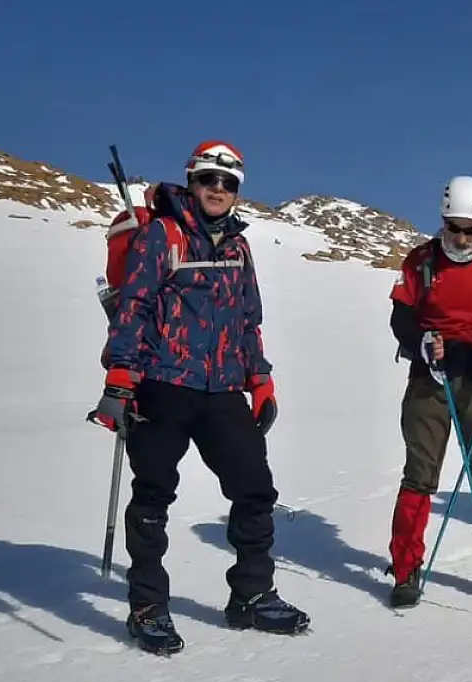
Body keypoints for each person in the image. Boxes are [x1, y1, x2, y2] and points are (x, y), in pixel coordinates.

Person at [93, 140, 310, 655]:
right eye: (209, 179)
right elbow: (135, 308)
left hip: (222, 389)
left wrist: (260, 380)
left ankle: (252, 595)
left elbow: (248, 321)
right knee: (152, 496)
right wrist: (120, 379)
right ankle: (148, 606)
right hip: (163, 385)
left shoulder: (238, 247)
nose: (218, 189)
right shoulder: (161, 235)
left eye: (228, 183)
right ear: (191, 181)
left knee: (255, 489)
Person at [386, 175, 472, 610]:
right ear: (443, 221)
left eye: (471, 228)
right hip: (431, 380)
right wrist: (424, 343)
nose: (463, 237)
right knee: (420, 476)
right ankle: (406, 570)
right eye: (455, 227)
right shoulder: (422, 261)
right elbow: (401, 319)